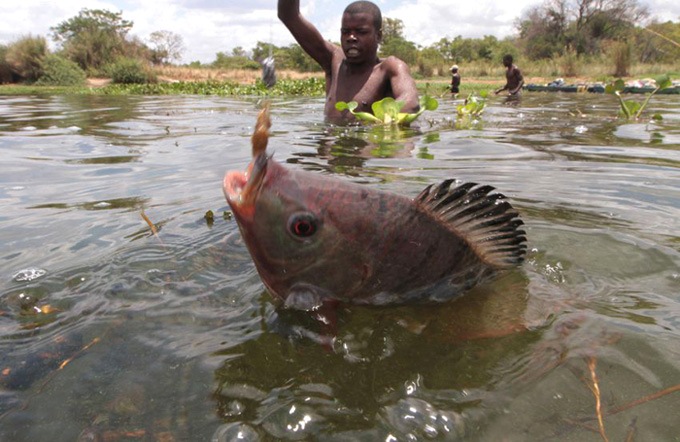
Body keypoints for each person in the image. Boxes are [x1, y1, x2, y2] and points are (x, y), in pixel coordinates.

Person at [278, 0, 419, 118]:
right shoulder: (333, 60)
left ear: (378, 36)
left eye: (361, 32)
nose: (351, 38)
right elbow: (288, 15)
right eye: (345, 32)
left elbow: (410, 102)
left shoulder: (389, 68)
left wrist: (385, 125)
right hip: (329, 146)